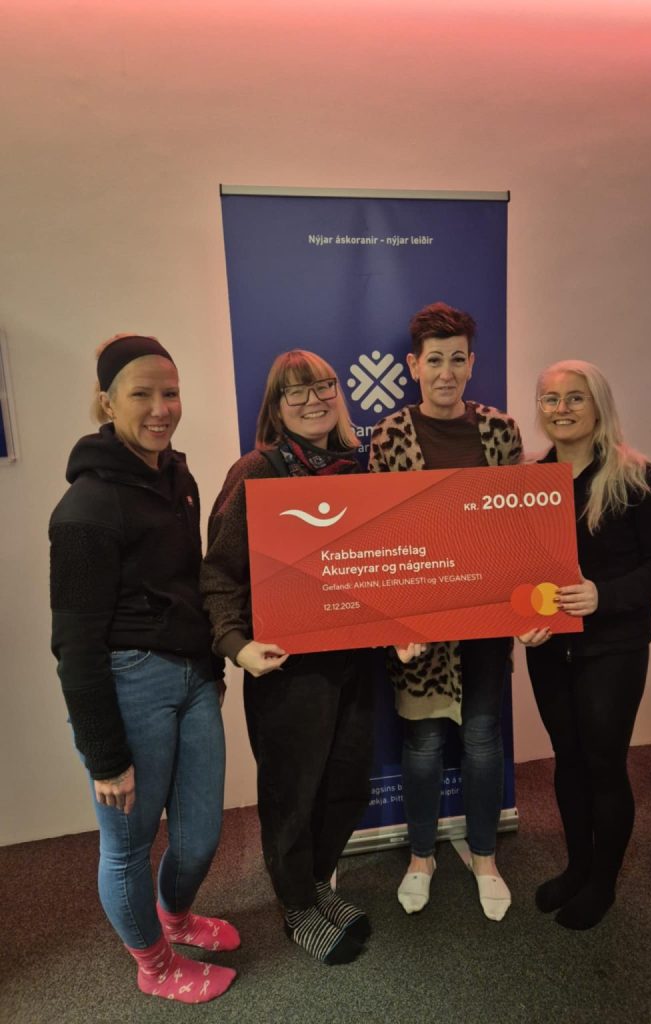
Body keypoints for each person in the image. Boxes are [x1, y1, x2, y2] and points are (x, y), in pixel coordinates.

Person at [49, 335, 238, 1005]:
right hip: (131, 685)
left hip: (193, 679)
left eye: (171, 393)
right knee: (128, 848)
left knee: (199, 835)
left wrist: (211, 667)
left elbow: (189, 585)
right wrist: (104, 756)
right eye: (142, 395)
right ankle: (154, 965)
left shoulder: (177, 479)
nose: (161, 408)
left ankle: (176, 918)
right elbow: (74, 645)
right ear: (107, 402)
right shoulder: (86, 509)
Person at [200, 350, 374, 965]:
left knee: (347, 785)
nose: (312, 400)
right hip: (288, 667)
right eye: (294, 392)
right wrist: (235, 644)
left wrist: (405, 624)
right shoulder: (257, 471)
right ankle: (296, 906)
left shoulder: (359, 470)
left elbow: (381, 566)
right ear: (276, 406)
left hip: (356, 660)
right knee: (292, 794)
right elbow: (218, 572)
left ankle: (318, 883)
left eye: (322, 387)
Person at [368, 302, 523, 921]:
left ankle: (484, 855)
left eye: (457, 359)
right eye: (435, 360)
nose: (446, 372)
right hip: (420, 625)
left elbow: (520, 525)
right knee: (424, 740)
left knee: (482, 737)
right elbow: (379, 536)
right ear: (414, 365)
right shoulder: (389, 436)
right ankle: (421, 856)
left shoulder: (501, 431)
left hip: (485, 615)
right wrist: (395, 622)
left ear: (472, 364)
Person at [519, 359, 651, 930]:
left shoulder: (636, 477)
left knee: (604, 763)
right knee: (567, 760)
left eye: (575, 397)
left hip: (613, 648)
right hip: (549, 648)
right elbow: (516, 568)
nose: (560, 409)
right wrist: (519, 618)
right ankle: (577, 867)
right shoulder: (529, 481)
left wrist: (604, 595)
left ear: (598, 406)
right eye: (550, 399)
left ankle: (602, 884)